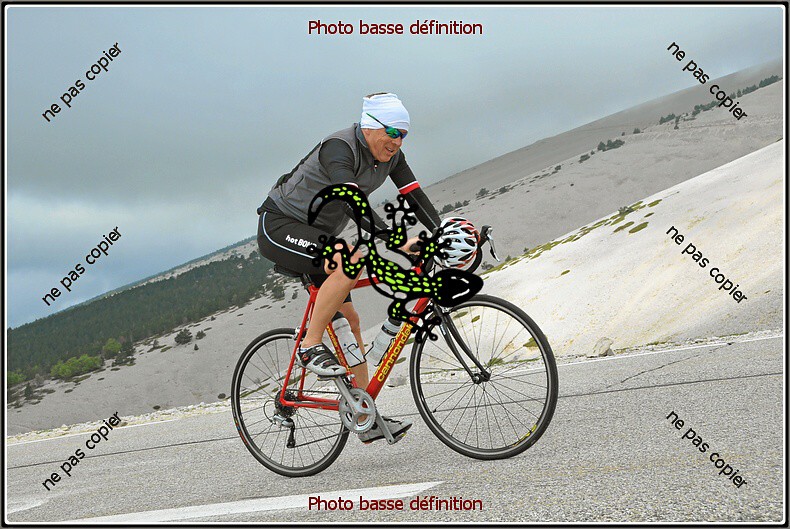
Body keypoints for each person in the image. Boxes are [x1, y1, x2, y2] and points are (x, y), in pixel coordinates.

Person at [256, 93, 441, 443]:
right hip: (280, 225)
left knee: (349, 321)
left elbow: (414, 195)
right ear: (370, 126)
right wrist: (397, 240)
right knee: (348, 259)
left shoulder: (392, 157)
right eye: (391, 132)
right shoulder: (338, 149)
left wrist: (442, 232)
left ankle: (363, 414)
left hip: (317, 236)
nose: (397, 141)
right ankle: (310, 345)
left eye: (403, 134)